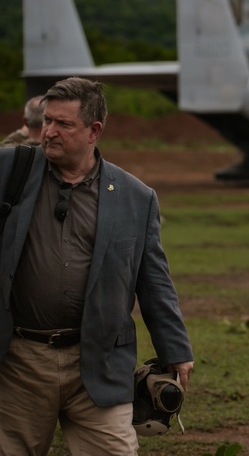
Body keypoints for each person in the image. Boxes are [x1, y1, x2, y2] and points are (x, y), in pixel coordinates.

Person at [0, 77, 194, 455]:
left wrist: (176, 348)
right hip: (21, 360)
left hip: (100, 360)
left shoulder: (136, 197)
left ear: (94, 131)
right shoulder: (11, 171)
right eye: (46, 121)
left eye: (63, 124)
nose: (49, 132)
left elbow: (154, 280)